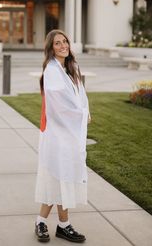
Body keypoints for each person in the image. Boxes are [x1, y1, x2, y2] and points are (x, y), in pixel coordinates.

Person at [35, 29, 91, 243]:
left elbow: (80, 95)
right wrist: (80, 114)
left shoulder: (72, 67)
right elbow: (58, 106)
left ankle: (54, 223)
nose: (63, 46)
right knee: (57, 177)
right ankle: (54, 224)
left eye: (65, 41)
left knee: (63, 177)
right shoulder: (51, 71)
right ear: (51, 48)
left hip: (70, 133)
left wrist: (86, 110)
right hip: (56, 133)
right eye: (57, 43)